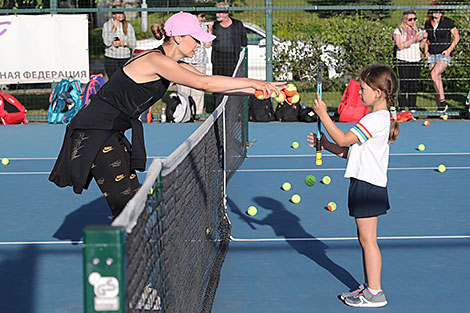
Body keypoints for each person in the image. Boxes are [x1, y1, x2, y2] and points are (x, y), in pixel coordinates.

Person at [49, 12, 283, 219]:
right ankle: (119, 259)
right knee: (126, 205)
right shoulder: (156, 60)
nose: (199, 46)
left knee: (134, 201)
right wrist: (257, 82)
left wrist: (257, 89)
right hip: (94, 131)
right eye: (195, 40)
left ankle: (132, 256)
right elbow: (204, 83)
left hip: (109, 130)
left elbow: (213, 85)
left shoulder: (170, 61)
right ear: (179, 38)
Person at [307, 64, 399, 308]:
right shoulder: (379, 119)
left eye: (364, 88)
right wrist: (325, 145)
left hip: (368, 187)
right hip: (364, 184)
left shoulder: (375, 119)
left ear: (378, 92)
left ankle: (375, 293)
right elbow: (350, 152)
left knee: (368, 241)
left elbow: (343, 138)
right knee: (365, 239)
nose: (360, 93)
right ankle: (370, 286)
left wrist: (323, 114)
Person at [207, 2, 247, 110]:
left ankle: (233, 110)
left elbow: (244, 42)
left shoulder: (237, 25)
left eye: (220, 12)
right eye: (217, 12)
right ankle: (218, 110)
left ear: (227, 13)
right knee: (218, 87)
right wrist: (210, 30)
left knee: (233, 87)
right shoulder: (214, 26)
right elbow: (208, 44)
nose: (217, 15)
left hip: (233, 61)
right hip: (218, 62)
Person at [424, 1, 460, 112]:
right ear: (431, 12)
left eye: (440, 11)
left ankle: (443, 102)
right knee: (436, 80)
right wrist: (426, 51)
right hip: (432, 54)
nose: (437, 13)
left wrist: (449, 50)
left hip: (444, 54)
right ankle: (440, 109)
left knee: (434, 74)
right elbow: (427, 39)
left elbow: (457, 37)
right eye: (435, 10)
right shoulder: (428, 23)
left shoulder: (448, 22)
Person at [177, 12, 211, 116]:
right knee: (184, 88)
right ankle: (184, 112)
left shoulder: (204, 27)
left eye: (203, 16)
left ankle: (197, 113)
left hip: (200, 61)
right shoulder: (185, 27)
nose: (203, 18)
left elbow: (208, 45)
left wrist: (210, 30)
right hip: (185, 61)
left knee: (199, 90)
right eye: (201, 16)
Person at [392, 10, 427, 111]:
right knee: (404, 84)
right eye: (410, 19)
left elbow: (421, 46)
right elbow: (400, 45)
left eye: (414, 19)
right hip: (404, 59)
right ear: (404, 20)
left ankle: (412, 108)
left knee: (414, 85)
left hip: (416, 59)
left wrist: (423, 39)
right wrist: (413, 40)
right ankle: (402, 108)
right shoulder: (399, 31)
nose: (413, 21)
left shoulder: (417, 30)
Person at [102, 5, 137, 80]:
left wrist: (123, 44)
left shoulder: (128, 26)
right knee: (113, 82)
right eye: (119, 13)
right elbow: (107, 42)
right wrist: (113, 29)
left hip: (125, 58)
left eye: (122, 12)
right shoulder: (107, 25)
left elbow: (133, 44)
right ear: (113, 15)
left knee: (124, 82)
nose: (121, 15)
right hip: (111, 58)